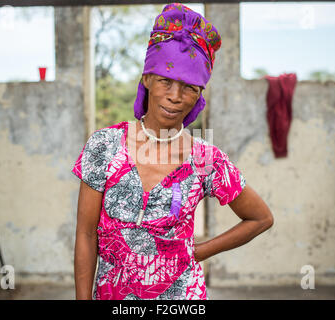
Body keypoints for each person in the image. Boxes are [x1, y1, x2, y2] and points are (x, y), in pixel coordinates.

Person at [72, 3, 273, 300]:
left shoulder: (205, 158)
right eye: (166, 81)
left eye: (189, 87)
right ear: (147, 79)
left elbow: (260, 218)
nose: (175, 96)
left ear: (199, 95)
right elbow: (86, 235)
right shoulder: (105, 145)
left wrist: (195, 252)